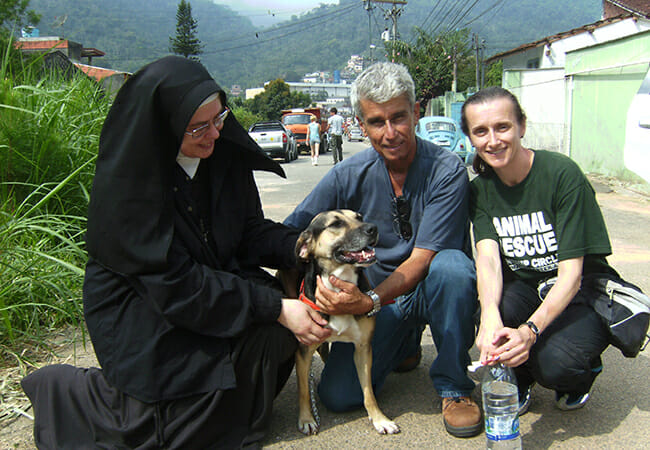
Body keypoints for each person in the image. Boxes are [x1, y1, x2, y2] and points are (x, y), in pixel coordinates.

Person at [20, 56, 330, 449]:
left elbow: (248, 230)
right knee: (154, 421)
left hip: (208, 286)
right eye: (197, 127)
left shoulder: (222, 154)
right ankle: (65, 392)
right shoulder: (128, 186)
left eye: (219, 119)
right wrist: (277, 307)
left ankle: (230, 410)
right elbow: (174, 283)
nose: (213, 135)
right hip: (143, 307)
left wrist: (301, 247)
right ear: (162, 129)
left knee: (273, 333)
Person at [284, 62, 481, 438]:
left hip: (424, 287)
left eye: (399, 118)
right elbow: (293, 231)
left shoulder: (447, 169)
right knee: (339, 395)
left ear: (416, 113)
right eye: (377, 122)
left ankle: (454, 386)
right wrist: (287, 298)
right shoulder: (346, 174)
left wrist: (368, 300)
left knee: (453, 267)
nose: (390, 133)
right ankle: (403, 344)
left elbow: (423, 258)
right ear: (361, 124)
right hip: (379, 303)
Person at [462, 86, 624, 415]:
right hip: (525, 285)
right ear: (470, 138)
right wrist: (490, 315)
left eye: (502, 127)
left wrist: (530, 331)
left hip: (579, 289)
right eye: (481, 131)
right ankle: (518, 378)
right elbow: (489, 259)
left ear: (522, 126)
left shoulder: (561, 174)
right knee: (491, 311)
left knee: (554, 363)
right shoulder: (480, 190)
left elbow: (571, 274)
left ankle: (581, 372)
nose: (493, 140)